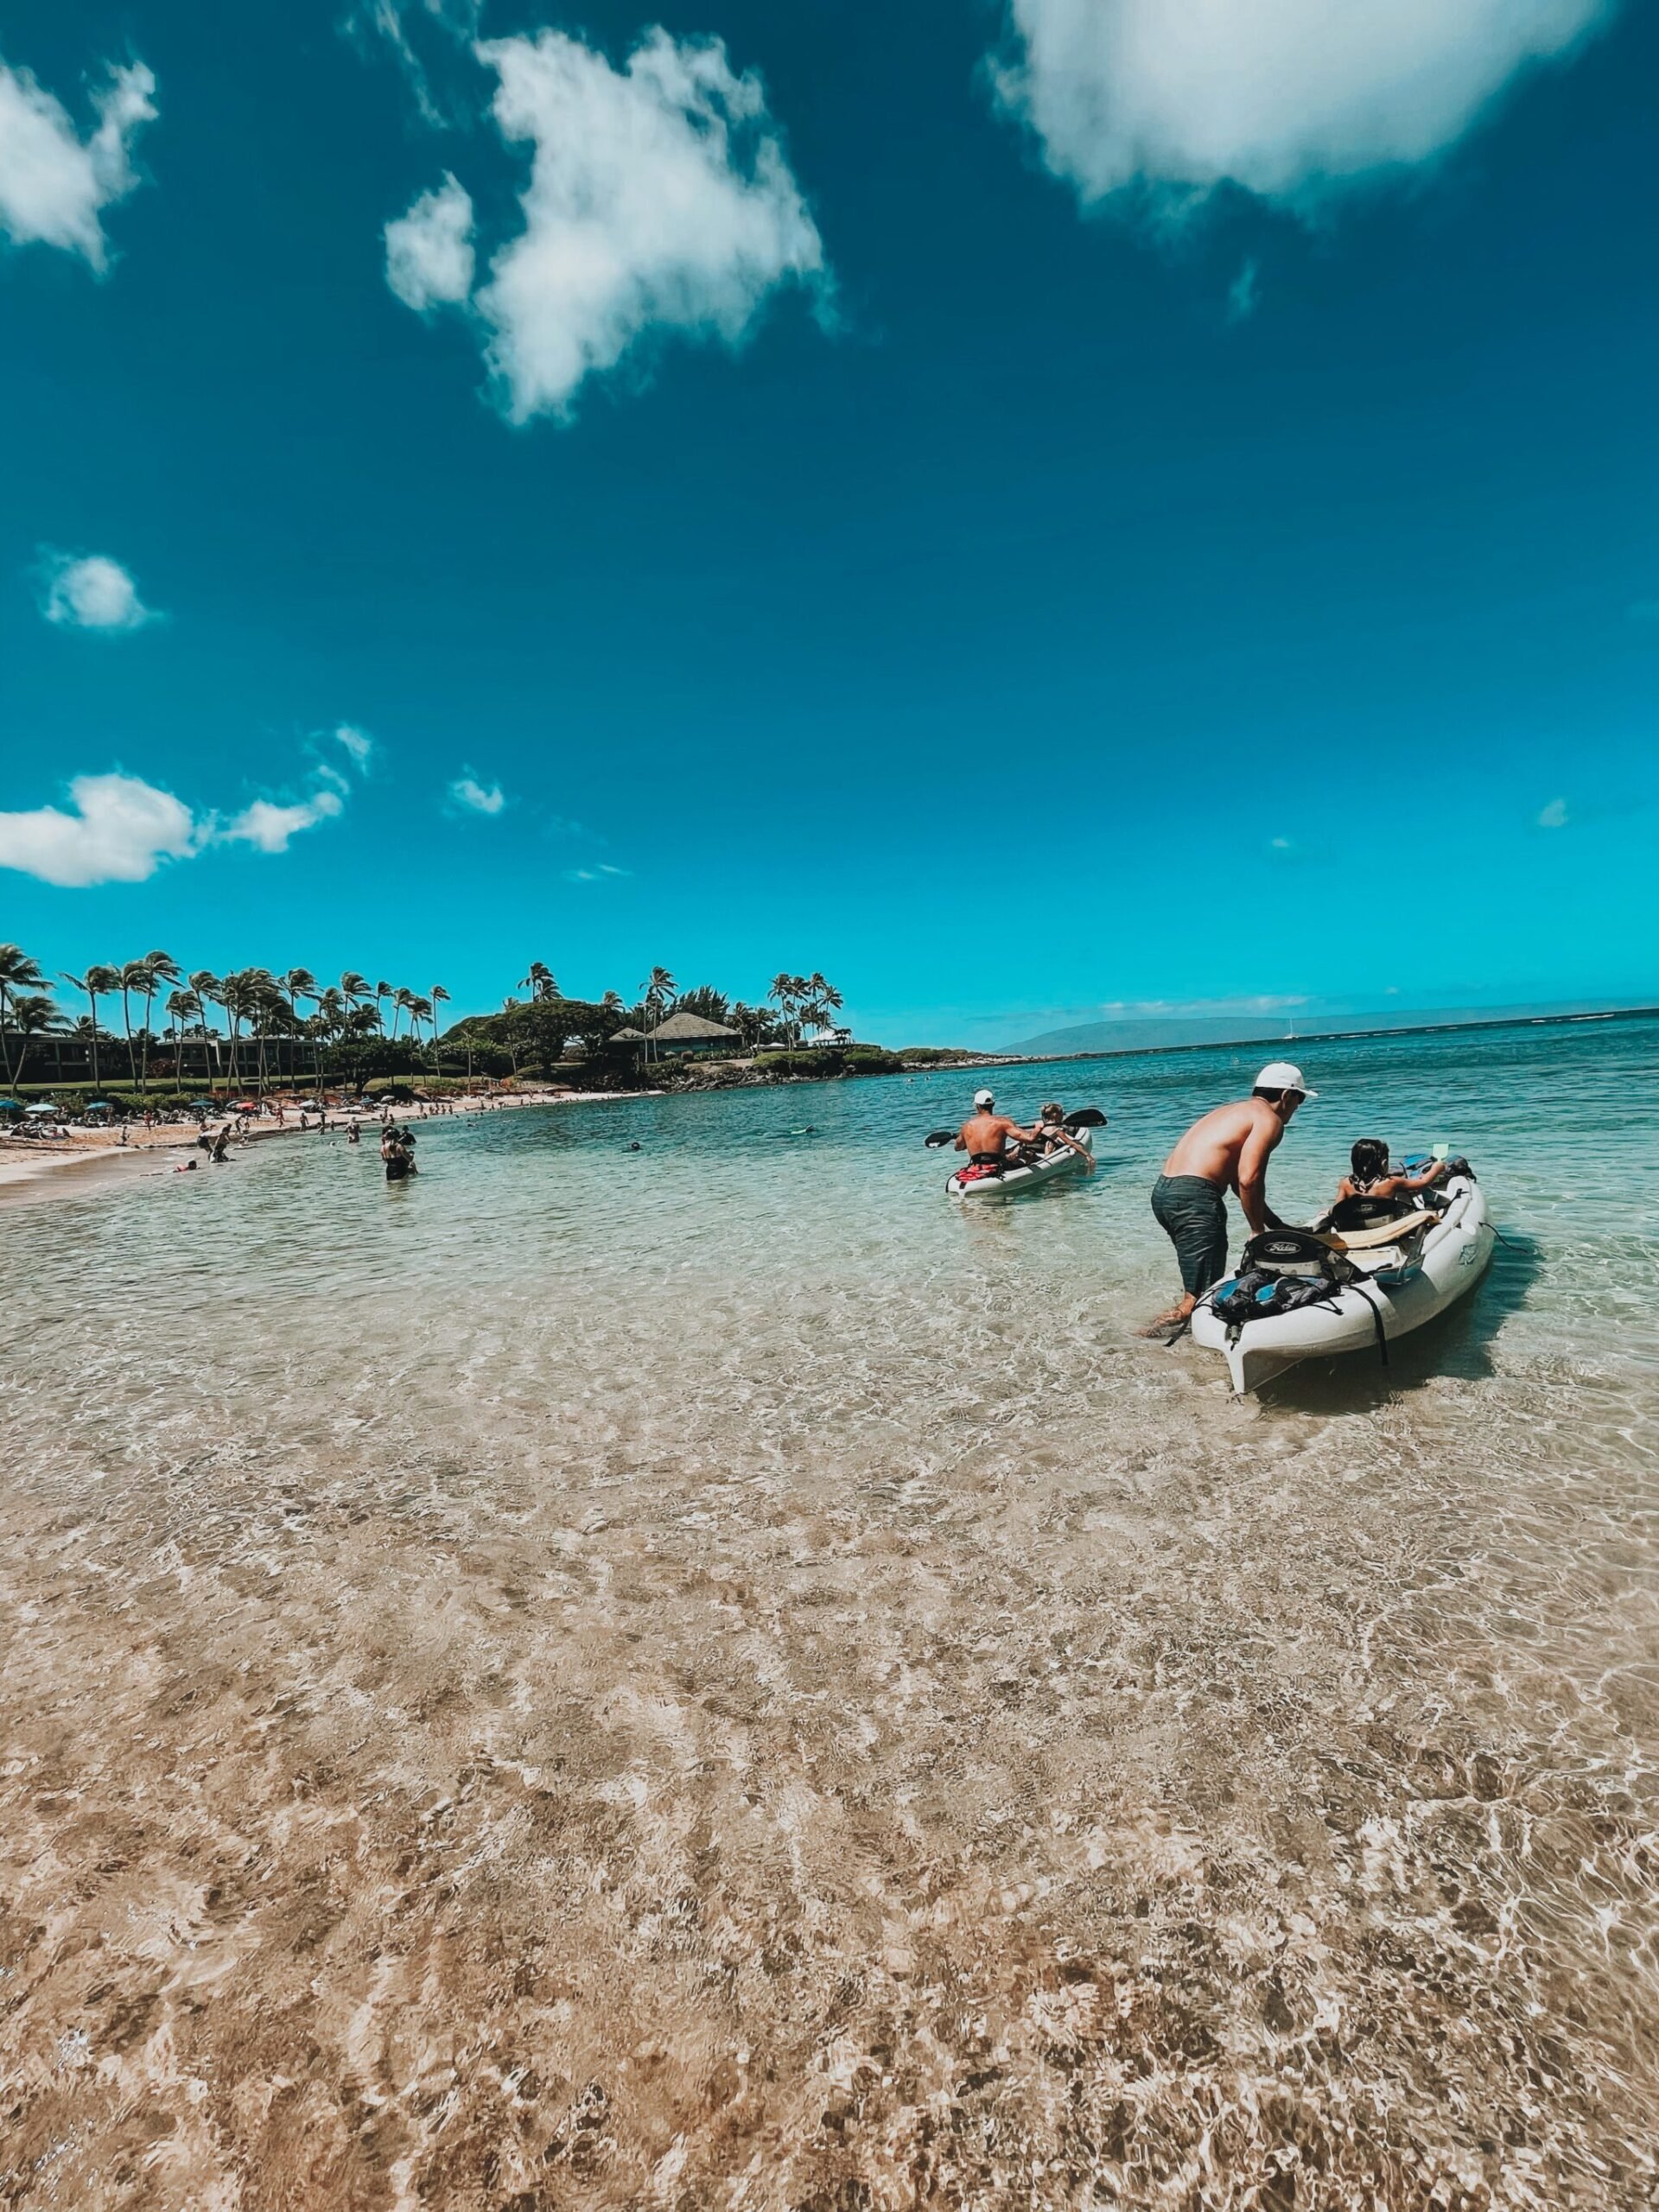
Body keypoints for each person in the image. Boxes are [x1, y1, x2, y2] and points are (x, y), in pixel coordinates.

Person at [1143, 1061, 1315, 1335]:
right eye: (1300, 1100)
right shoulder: (1269, 1120)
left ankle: (1169, 1335)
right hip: (1194, 1198)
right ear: (1287, 1096)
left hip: (1166, 1193)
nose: (1298, 1108)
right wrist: (1257, 1231)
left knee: (1197, 1285)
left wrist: (1277, 1226)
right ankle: (1142, 1337)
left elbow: (1239, 1184)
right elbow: (1250, 1179)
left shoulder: (1233, 1111)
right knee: (1199, 1299)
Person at [1331, 1139, 1446, 1210]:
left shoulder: (1345, 1183)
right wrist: (1437, 1168)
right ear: (1384, 1163)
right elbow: (1423, 1183)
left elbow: (1337, 1208)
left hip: (1359, 1224)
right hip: (1385, 1222)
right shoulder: (1391, 1182)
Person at [953, 1089, 1039, 1180]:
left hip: (977, 1167)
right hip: (999, 1167)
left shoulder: (966, 1126)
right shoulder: (1002, 1122)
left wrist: (965, 1136)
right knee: (1029, 1155)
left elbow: (958, 1148)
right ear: (993, 1104)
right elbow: (1030, 1139)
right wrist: (1038, 1128)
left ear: (977, 1106)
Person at [1028, 1102, 1096, 1172]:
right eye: (1062, 1114)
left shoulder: (1037, 1126)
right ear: (1055, 1115)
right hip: (1043, 1156)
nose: (1063, 1116)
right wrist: (1087, 1155)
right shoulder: (1056, 1130)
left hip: (1031, 1153)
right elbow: (1072, 1144)